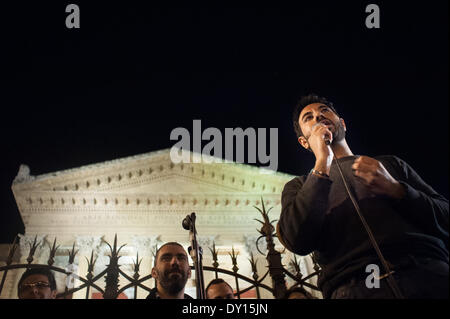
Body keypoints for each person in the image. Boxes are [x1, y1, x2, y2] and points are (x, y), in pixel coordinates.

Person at [276, 93, 449, 299]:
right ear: (304, 142)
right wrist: (322, 163)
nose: (318, 117)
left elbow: (445, 216)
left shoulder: (390, 165)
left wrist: (398, 190)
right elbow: (296, 240)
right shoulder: (299, 186)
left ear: (343, 124)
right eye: (309, 117)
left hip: (427, 274)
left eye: (324, 111)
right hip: (354, 288)